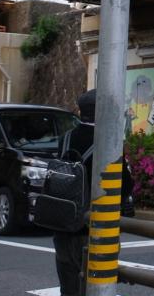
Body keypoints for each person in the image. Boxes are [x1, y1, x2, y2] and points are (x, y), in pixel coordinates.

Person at [51, 89, 135, 296]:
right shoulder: (108, 144)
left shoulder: (66, 139)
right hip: (92, 230)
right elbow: (125, 185)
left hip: (63, 225)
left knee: (68, 287)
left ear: (81, 112)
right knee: (95, 287)